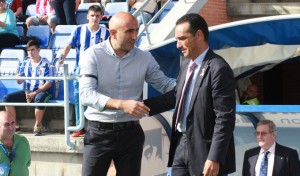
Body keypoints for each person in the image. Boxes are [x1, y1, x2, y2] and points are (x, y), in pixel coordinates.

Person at [79, 12, 175, 176]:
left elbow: (165, 84)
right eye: (129, 31)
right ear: (113, 33)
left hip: (131, 135)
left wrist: (192, 82)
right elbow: (86, 94)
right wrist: (122, 105)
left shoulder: (144, 57)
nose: (135, 36)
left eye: (136, 30)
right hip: (98, 134)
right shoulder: (92, 54)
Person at [144, 13, 236, 176]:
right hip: (180, 146)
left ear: (199, 35)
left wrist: (214, 157)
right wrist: (142, 107)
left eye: (182, 38)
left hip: (205, 151)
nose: (178, 45)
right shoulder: (186, 63)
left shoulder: (218, 68)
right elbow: (176, 96)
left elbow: (225, 118)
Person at [58, 4, 109, 137]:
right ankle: (80, 127)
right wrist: (62, 57)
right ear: (87, 16)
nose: (94, 18)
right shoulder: (78, 30)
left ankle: (96, 127)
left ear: (101, 17)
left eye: (97, 16)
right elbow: (68, 45)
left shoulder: (106, 32)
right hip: (80, 71)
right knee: (79, 98)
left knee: (98, 98)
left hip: (100, 71)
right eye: (92, 15)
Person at [3, 40, 53, 136]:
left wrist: (34, 93)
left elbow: (49, 83)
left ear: (39, 50)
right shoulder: (25, 62)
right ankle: (15, 125)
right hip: (28, 91)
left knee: (39, 98)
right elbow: (20, 80)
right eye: (28, 50)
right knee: (7, 99)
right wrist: (18, 78)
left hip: (43, 91)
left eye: (33, 50)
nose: (30, 52)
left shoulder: (46, 63)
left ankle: (37, 125)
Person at [0, 111, 31, 176]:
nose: (11, 128)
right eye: (7, 124)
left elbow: (28, 163)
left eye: (13, 123)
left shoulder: (23, 141)